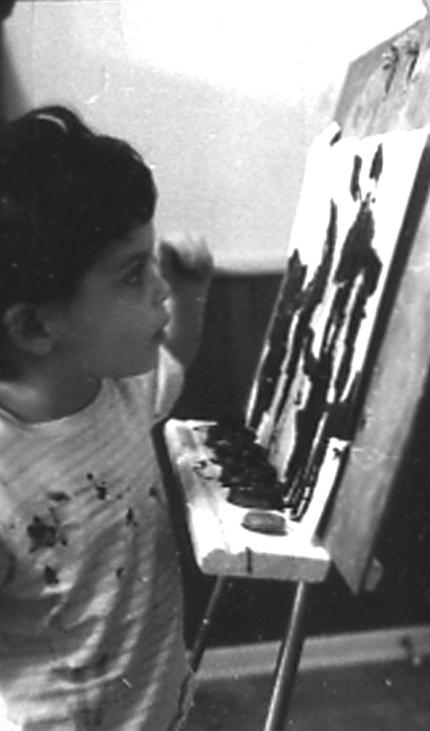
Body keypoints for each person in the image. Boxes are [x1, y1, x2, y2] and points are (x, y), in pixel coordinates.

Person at [0, 105, 213, 729]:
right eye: (132, 274)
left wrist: (191, 293)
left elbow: (174, 357)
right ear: (35, 327)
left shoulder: (121, 390)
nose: (159, 288)